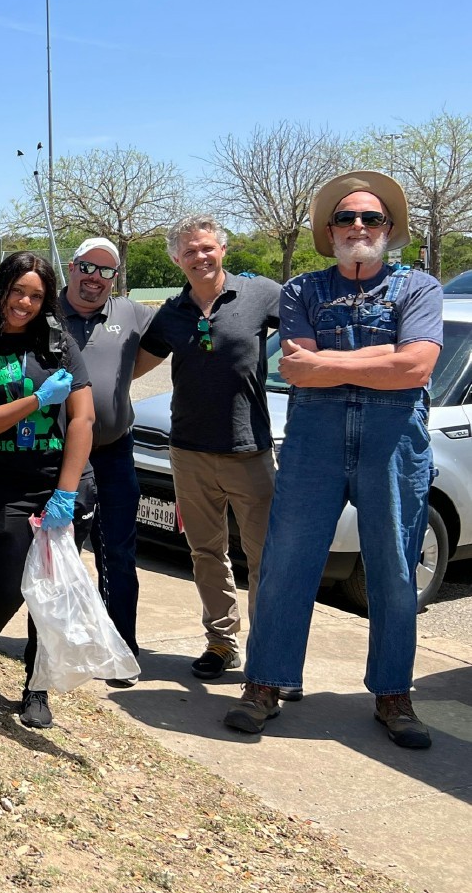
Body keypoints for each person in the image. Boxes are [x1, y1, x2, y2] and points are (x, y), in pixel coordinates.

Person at [225, 172, 442, 748]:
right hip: (314, 441)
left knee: (395, 569)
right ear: (330, 230)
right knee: (286, 563)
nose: (359, 227)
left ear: (389, 230)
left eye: (371, 218)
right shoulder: (302, 291)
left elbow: (419, 367)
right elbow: (294, 367)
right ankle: (264, 685)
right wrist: (384, 356)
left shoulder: (419, 288)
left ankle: (394, 694)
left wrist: (331, 364)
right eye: (347, 218)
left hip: (393, 442)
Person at [0, 252, 96, 729]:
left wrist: (66, 493)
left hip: (64, 486)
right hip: (6, 488)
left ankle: (37, 686)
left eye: (36, 295)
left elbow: (83, 419)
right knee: (6, 589)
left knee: (49, 594)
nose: (24, 303)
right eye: (17, 291)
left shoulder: (60, 345)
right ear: (0, 291)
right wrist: (34, 401)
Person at [135, 214, 280, 682]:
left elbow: (309, 328)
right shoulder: (173, 313)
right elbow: (134, 366)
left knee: (265, 559)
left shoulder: (260, 295)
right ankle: (221, 641)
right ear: (177, 259)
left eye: (207, 248)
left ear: (222, 250)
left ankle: (270, 653)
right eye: (189, 251)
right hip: (189, 452)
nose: (200, 256)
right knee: (205, 552)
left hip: (250, 451)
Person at [59, 237, 153, 680]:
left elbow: (172, 337)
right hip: (57, 453)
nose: (94, 278)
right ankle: (59, 643)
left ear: (115, 280)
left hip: (115, 450)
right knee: (62, 550)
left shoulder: (132, 314)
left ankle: (120, 646)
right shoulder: (44, 310)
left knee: (117, 549)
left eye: (105, 272)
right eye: (86, 268)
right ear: (71, 267)